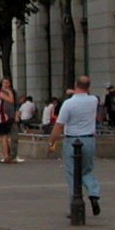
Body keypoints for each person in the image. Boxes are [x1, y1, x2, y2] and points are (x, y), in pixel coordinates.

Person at [47, 76, 102, 216]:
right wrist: (75, 91)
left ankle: (76, 204)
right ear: (88, 87)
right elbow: (86, 95)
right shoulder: (94, 101)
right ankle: (94, 193)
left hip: (72, 141)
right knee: (87, 170)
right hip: (89, 140)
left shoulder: (68, 104)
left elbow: (59, 126)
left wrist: (51, 142)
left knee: (72, 173)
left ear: (76, 85)